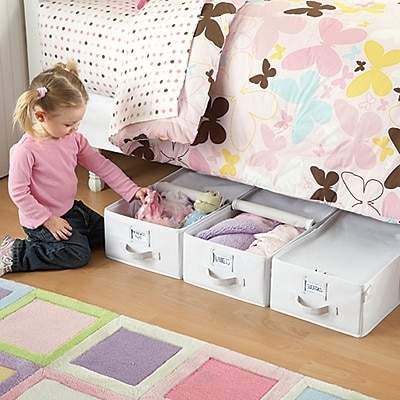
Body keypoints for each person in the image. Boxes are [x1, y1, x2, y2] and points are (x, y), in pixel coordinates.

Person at [0, 60, 149, 276]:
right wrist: (48, 220)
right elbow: (18, 193)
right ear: (41, 116)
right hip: (42, 221)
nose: (75, 129)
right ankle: (14, 253)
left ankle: (74, 236)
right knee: (78, 254)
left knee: (113, 233)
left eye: (78, 123)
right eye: (69, 124)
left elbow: (103, 166)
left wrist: (132, 190)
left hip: (71, 210)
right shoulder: (25, 150)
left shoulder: (74, 140)